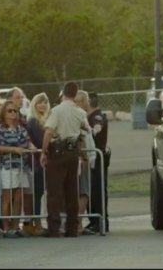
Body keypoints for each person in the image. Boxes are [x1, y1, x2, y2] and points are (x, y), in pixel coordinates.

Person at [41, 82, 90, 238]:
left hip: (57, 151)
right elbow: (86, 130)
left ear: (63, 93)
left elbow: (49, 132)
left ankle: (54, 228)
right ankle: (72, 228)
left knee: (55, 192)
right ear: (75, 95)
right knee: (71, 191)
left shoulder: (56, 111)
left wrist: (43, 151)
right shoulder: (80, 112)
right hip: (73, 152)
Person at [0, 100, 37, 238]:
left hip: (21, 166)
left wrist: (31, 147)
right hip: (7, 166)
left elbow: (27, 142)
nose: (13, 113)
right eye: (9, 111)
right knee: (7, 198)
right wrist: (13, 149)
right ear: (4, 113)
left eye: (15, 111)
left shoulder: (21, 129)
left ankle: (15, 225)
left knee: (19, 198)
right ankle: (6, 227)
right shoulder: (0, 129)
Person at [25, 92, 51, 236]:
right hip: (36, 162)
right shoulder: (32, 122)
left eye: (45, 102)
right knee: (37, 193)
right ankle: (37, 222)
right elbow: (41, 141)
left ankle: (44, 221)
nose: (42, 105)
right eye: (39, 102)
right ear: (34, 105)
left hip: (48, 161)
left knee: (45, 193)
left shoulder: (49, 119)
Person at [84, 91, 110, 234]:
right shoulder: (87, 116)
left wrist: (93, 130)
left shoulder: (97, 116)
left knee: (97, 190)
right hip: (91, 158)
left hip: (98, 159)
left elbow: (98, 126)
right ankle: (93, 221)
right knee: (90, 190)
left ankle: (100, 222)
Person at [75, 91, 98, 235]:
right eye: (86, 100)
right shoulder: (79, 115)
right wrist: (83, 156)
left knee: (82, 191)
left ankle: (77, 223)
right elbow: (81, 137)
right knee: (83, 192)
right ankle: (77, 224)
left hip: (85, 157)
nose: (88, 103)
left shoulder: (81, 115)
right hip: (82, 158)